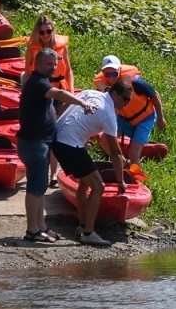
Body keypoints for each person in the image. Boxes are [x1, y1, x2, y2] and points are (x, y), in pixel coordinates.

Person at [18, 46, 88, 244]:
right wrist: (81, 102)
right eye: (49, 64)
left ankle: (40, 227)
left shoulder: (43, 83)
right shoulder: (38, 82)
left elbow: (56, 104)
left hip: (41, 142)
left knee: (39, 188)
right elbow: (59, 94)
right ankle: (32, 230)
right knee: (35, 188)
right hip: (34, 143)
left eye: (55, 64)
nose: (52, 68)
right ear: (37, 63)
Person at [52, 89, 128, 245]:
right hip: (69, 144)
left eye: (129, 100)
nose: (126, 102)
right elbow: (115, 151)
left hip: (59, 138)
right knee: (99, 186)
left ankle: (82, 226)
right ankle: (88, 233)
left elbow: (62, 107)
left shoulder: (90, 93)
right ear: (114, 94)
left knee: (85, 182)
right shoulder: (108, 113)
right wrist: (120, 180)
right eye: (125, 98)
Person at [98, 55, 167, 169]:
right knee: (104, 140)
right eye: (107, 74)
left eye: (114, 73)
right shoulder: (103, 86)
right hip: (124, 118)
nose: (111, 78)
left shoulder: (136, 82)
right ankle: (124, 163)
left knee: (133, 154)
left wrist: (160, 117)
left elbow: (155, 96)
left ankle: (137, 180)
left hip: (144, 118)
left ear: (119, 70)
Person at [24, 16, 72, 90]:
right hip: (39, 88)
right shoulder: (32, 48)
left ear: (53, 30)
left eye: (49, 31)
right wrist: (24, 92)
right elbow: (27, 73)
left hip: (59, 88)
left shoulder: (63, 46)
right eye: (41, 32)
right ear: (37, 33)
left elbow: (68, 71)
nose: (45, 35)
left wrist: (71, 91)